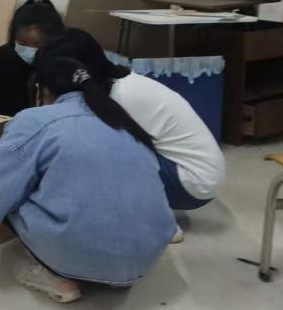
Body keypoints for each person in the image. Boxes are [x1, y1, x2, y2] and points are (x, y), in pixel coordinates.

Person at [0, 56, 176, 303]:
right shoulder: (122, 120)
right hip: (145, 258)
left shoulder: (35, 120)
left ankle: (55, 278)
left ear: (41, 90)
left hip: (79, 256)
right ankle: (115, 274)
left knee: (6, 191)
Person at [34, 29, 226, 219]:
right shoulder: (120, 84)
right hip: (197, 174)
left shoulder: (118, 97)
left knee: (90, 160)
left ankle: (143, 219)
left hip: (190, 182)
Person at [0, 0, 63, 116]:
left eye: (37, 44)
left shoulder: (62, 64)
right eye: (22, 43)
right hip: (5, 125)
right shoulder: (1, 57)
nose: (29, 49)